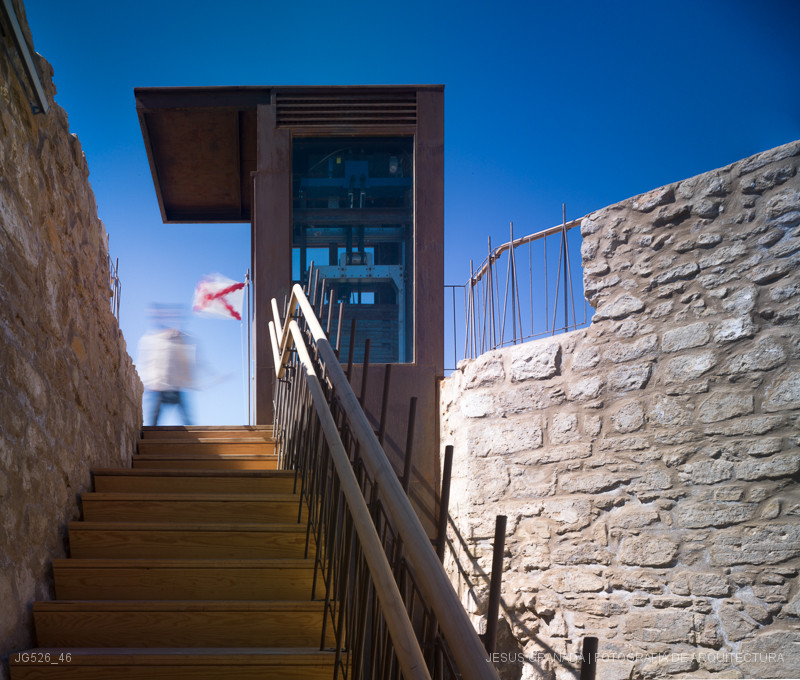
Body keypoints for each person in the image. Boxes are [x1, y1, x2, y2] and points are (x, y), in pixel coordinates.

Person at [137, 311, 196, 426]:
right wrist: (149, 382)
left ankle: (195, 439)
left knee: (186, 418)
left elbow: (185, 362)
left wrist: (187, 381)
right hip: (159, 386)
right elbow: (147, 362)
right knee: (154, 418)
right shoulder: (154, 340)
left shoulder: (179, 340)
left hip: (175, 386)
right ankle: (151, 438)